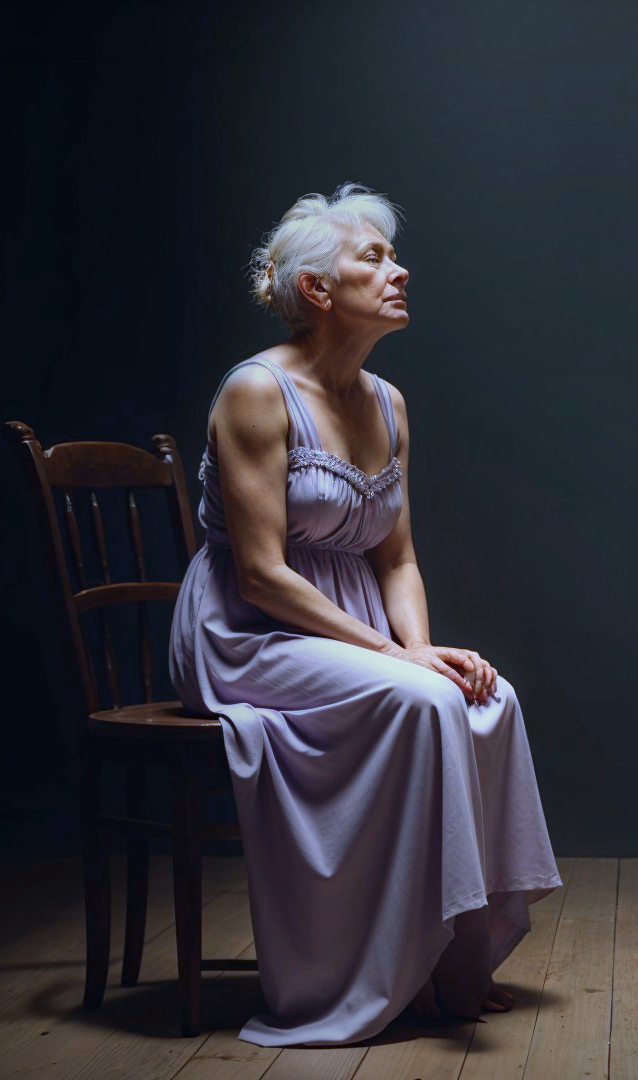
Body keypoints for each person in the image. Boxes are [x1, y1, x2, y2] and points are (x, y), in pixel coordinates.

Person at [168, 181, 562, 1047]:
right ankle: (380, 968)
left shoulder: (389, 403)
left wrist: (419, 645)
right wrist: (396, 658)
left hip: (350, 626)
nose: (400, 270)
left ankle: (458, 961)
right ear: (317, 289)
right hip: (248, 631)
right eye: (374, 258)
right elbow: (265, 576)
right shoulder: (255, 393)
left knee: (488, 699)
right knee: (422, 699)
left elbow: (397, 557)